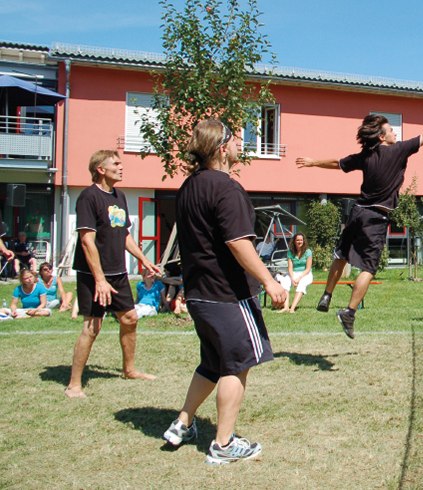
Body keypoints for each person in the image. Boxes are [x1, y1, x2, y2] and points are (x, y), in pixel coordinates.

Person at [164, 119, 287, 464]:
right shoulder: (227, 188)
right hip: (227, 295)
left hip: (199, 294)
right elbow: (238, 243)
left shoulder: (188, 186)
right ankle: (223, 444)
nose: (240, 145)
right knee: (238, 364)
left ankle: (182, 423)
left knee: (212, 363)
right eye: (235, 139)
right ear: (222, 148)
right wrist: (269, 280)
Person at [296, 105, 423, 339]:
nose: (395, 133)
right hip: (376, 218)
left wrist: (312, 162)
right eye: (391, 130)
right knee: (369, 268)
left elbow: (337, 163)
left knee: (341, 254)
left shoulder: (364, 156)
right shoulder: (398, 150)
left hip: (357, 212)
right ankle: (349, 312)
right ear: (382, 136)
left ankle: (327, 294)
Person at [65, 150, 161, 399]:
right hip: (93, 274)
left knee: (129, 318)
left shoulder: (119, 196)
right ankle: (74, 384)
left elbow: (124, 233)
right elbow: (87, 241)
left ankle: (129, 370)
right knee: (92, 327)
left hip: (117, 272)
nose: (121, 167)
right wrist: (99, 280)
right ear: (100, 169)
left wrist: (144, 260)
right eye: (116, 164)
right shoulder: (88, 197)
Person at [280, 232, 313, 313]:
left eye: (301, 240)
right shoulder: (290, 252)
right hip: (293, 273)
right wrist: (292, 279)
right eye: (297, 240)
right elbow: (290, 268)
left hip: (305, 274)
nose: (299, 242)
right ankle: (286, 307)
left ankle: (292, 308)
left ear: (303, 241)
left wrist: (299, 278)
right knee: (285, 283)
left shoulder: (308, 252)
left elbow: (308, 269)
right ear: (294, 241)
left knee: (301, 285)